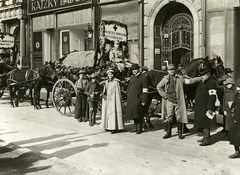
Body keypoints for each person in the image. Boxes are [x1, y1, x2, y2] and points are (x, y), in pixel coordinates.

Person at [157, 64, 202, 139]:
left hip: (178, 101)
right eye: (170, 70)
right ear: (168, 71)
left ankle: (180, 133)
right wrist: (165, 96)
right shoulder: (165, 79)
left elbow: (190, 81)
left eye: (172, 70)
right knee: (169, 116)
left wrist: (199, 78)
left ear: (175, 70)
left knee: (179, 117)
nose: (171, 71)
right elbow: (159, 87)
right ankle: (168, 132)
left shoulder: (180, 78)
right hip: (169, 100)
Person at [194, 64, 217, 146]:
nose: (202, 77)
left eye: (203, 75)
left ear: (208, 74)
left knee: (206, 124)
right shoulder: (202, 83)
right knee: (202, 123)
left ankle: (207, 139)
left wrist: (210, 108)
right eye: (201, 75)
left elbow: (212, 96)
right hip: (201, 107)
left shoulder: (211, 83)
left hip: (206, 107)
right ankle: (205, 137)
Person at [125, 63, 149, 134]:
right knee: (134, 114)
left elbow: (145, 90)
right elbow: (129, 87)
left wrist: (144, 100)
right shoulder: (132, 77)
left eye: (135, 69)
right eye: (133, 70)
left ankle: (139, 128)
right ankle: (135, 128)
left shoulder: (143, 77)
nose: (134, 71)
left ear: (138, 69)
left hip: (138, 98)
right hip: (132, 98)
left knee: (139, 114)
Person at [101, 68, 124, 134]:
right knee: (108, 113)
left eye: (111, 74)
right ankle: (108, 126)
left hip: (114, 100)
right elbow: (104, 90)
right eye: (109, 74)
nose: (110, 75)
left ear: (113, 75)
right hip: (108, 100)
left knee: (114, 113)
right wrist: (104, 96)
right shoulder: (106, 82)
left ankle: (114, 127)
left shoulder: (116, 82)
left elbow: (118, 92)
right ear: (107, 75)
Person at [228, 79, 240, 158]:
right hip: (236, 117)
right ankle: (237, 151)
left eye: (239, 87)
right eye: (238, 86)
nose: (238, 88)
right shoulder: (237, 94)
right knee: (235, 136)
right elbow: (234, 103)